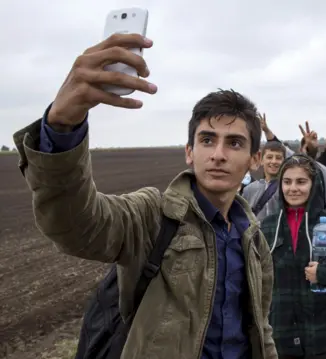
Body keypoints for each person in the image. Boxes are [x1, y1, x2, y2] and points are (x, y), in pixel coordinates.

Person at [13, 34, 277, 358]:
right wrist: (62, 127)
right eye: (207, 140)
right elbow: (76, 225)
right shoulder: (153, 216)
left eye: (234, 143)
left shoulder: (253, 238)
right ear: (189, 152)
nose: (218, 154)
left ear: (255, 159)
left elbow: (260, 328)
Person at [260, 154, 326, 359]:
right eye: (287, 182)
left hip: (325, 332)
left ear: (314, 184)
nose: (293, 188)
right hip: (279, 332)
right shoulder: (267, 226)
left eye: (301, 182)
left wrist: (325, 273)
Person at [242, 140, 287, 222]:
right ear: (261, 161)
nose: (274, 161)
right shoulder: (249, 189)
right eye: (269, 157)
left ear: (284, 162)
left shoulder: (288, 188)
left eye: (278, 158)